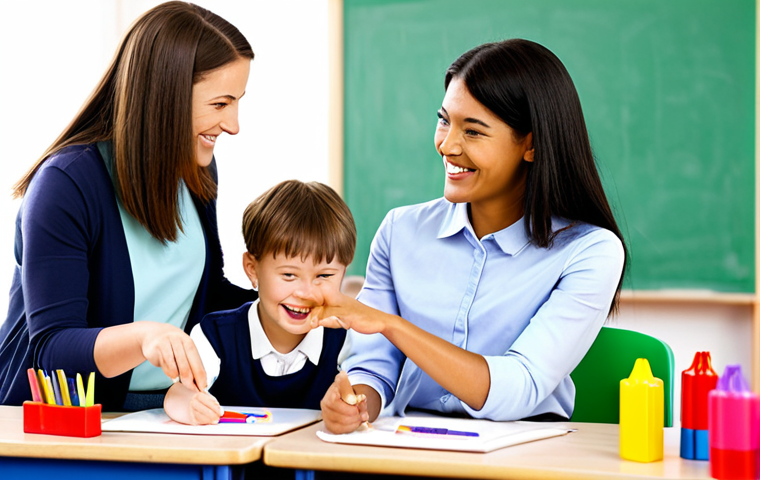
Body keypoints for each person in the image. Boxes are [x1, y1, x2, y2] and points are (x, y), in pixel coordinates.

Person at [313, 39, 627, 433]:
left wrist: (391, 325)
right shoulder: (400, 231)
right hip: (410, 444)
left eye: (473, 132)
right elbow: (375, 365)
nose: (447, 144)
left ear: (530, 144)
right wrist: (358, 400)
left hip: (523, 453)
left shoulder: (590, 251)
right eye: (444, 120)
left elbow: (521, 386)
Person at [0, 1, 256, 411]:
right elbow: (52, 348)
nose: (234, 124)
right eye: (220, 104)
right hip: (61, 424)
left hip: (165, 413)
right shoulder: (65, 184)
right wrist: (144, 337)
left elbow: (206, 297)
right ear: (167, 97)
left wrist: (290, 301)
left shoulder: (197, 170)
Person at [164, 180, 356, 425]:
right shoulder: (216, 336)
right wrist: (190, 405)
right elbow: (177, 394)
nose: (306, 293)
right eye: (289, 275)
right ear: (252, 269)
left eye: (324, 276)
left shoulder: (347, 340)